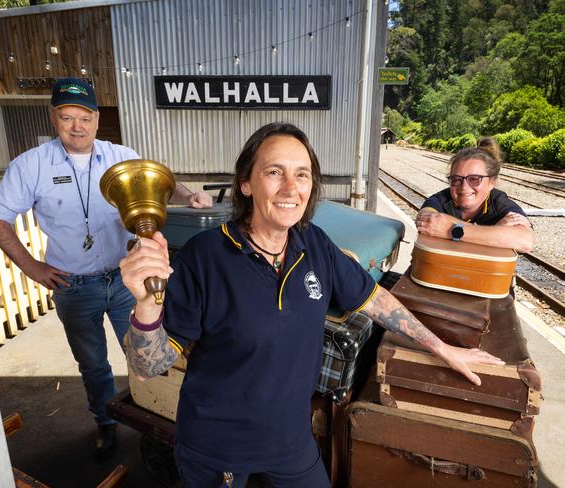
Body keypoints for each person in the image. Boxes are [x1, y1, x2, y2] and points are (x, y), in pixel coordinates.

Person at [119, 122, 504, 487]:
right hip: (218, 448)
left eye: (302, 174)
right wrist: (145, 305)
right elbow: (147, 368)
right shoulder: (204, 257)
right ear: (246, 184)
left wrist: (443, 347)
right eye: (274, 172)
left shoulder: (313, 243)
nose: (291, 187)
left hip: (291, 441)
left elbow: (376, 301)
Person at [0, 77, 212, 458]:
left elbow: (161, 184)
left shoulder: (121, 155)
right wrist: (32, 267)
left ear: (96, 117)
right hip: (72, 284)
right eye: (67, 117)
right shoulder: (31, 165)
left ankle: (151, 420)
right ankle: (105, 421)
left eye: (84, 117)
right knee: (92, 363)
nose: (77, 126)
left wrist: (191, 195)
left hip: (125, 281)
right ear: (54, 118)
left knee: (147, 358)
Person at [415, 137, 535, 253]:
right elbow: (424, 221)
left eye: (474, 179)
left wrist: (450, 229)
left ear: (492, 182)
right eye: (457, 179)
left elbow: (526, 241)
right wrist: (496, 231)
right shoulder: (441, 199)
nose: (464, 187)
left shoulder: (500, 203)